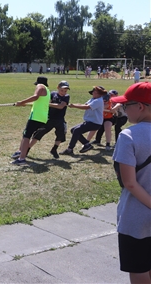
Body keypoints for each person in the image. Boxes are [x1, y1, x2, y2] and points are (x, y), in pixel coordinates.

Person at [110, 82, 151, 283]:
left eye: (126, 105)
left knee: (139, 269)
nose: (124, 109)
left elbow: (130, 183)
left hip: (137, 217)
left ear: (141, 107)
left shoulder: (128, 135)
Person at [11, 76, 50, 165]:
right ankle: (20, 151)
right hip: (42, 118)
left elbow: (35, 97)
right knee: (26, 134)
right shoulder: (47, 90)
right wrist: (25, 104)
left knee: (26, 136)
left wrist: (21, 102)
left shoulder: (40, 86)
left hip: (35, 117)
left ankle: (22, 158)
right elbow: (39, 102)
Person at [27, 80, 70, 159]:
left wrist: (48, 104)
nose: (63, 92)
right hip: (49, 118)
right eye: (62, 90)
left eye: (65, 91)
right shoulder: (52, 94)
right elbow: (45, 101)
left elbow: (61, 106)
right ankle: (27, 149)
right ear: (58, 88)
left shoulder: (66, 96)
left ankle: (54, 149)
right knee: (38, 133)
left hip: (60, 119)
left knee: (61, 134)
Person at [60, 86, 107, 155]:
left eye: (94, 91)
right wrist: (72, 104)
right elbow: (83, 104)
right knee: (73, 130)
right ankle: (87, 144)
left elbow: (86, 107)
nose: (93, 92)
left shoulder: (98, 101)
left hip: (95, 122)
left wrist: (74, 106)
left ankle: (70, 149)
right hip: (91, 121)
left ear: (98, 93)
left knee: (76, 130)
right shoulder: (93, 99)